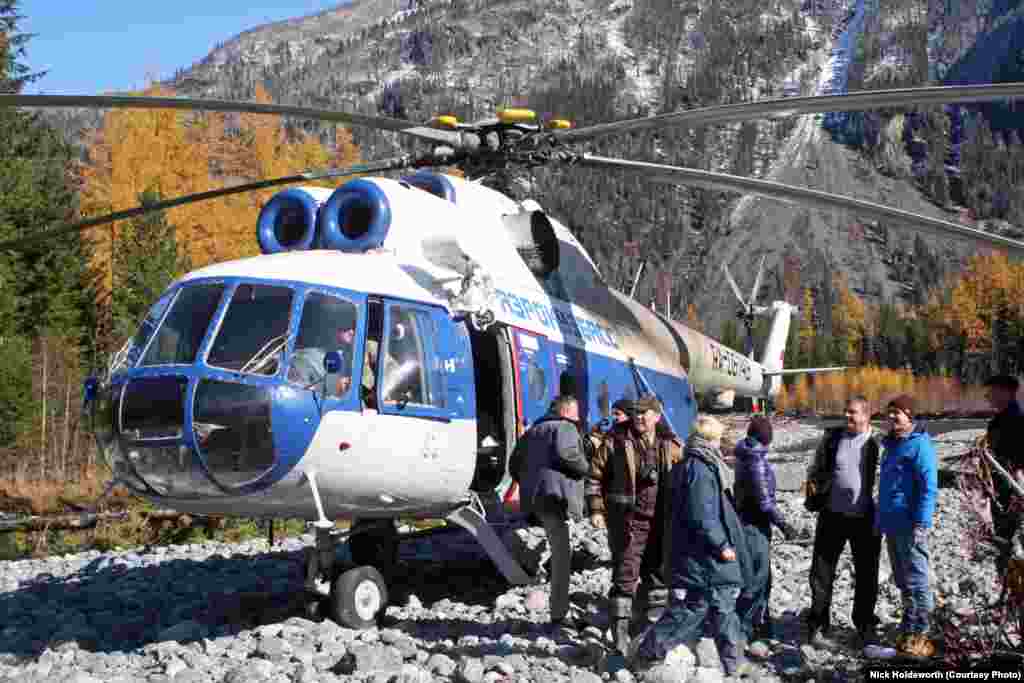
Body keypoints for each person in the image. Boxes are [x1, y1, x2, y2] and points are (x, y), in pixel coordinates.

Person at [630, 414, 751, 677]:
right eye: (718, 438)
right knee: (701, 607)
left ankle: (733, 663)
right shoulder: (700, 468)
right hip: (704, 554)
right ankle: (650, 652)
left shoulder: (689, 465)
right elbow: (703, 514)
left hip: (694, 551)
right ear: (709, 440)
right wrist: (722, 545)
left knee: (714, 605)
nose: (721, 444)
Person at [586, 395, 682, 654]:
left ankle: (646, 626)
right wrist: (596, 509)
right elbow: (594, 476)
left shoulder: (669, 443)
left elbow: (685, 477)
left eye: (645, 413)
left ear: (657, 417)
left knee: (658, 575)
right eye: (637, 413)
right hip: (627, 521)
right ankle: (619, 635)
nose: (639, 417)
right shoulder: (616, 439)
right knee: (625, 575)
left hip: (660, 522)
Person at [804, 397, 883, 649]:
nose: (847, 416)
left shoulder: (879, 442)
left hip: (866, 519)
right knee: (821, 573)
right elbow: (816, 469)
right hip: (832, 516)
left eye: (853, 413)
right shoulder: (832, 439)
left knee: (867, 574)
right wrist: (814, 494)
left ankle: (864, 625)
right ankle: (817, 625)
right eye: (845, 412)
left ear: (867, 415)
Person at [508, 395, 590, 629]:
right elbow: (568, 455)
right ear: (566, 411)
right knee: (563, 555)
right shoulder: (564, 428)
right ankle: (559, 614)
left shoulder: (532, 431)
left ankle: (558, 606)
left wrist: (530, 482)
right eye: (576, 412)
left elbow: (514, 466)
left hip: (536, 500)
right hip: (555, 498)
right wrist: (589, 470)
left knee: (559, 548)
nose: (578, 417)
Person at [878, 394, 938, 657]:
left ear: (910, 415)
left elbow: (929, 487)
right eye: (889, 413)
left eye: (897, 413)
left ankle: (923, 633)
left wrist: (922, 522)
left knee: (917, 580)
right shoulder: (891, 444)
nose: (892, 417)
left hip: (911, 524)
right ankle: (909, 626)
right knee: (903, 580)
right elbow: (888, 487)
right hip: (892, 524)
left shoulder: (920, 445)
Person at [734, 415, 798, 657]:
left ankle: (761, 626)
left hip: (747, 523)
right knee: (756, 580)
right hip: (755, 526)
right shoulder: (756, 460)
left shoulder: (744, 453)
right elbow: (764, 503)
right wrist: (786, 526)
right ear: (766, 439)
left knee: (760, 577)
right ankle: (745, 633)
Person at [984, 374, 1024, 573]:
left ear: (1006, 392)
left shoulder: (1017, 421)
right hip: (1001, 493)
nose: (987, 396)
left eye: (991, 392)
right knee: (1003, 545)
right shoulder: (1000, 420)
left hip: (1014, 494)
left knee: (1012, 546)